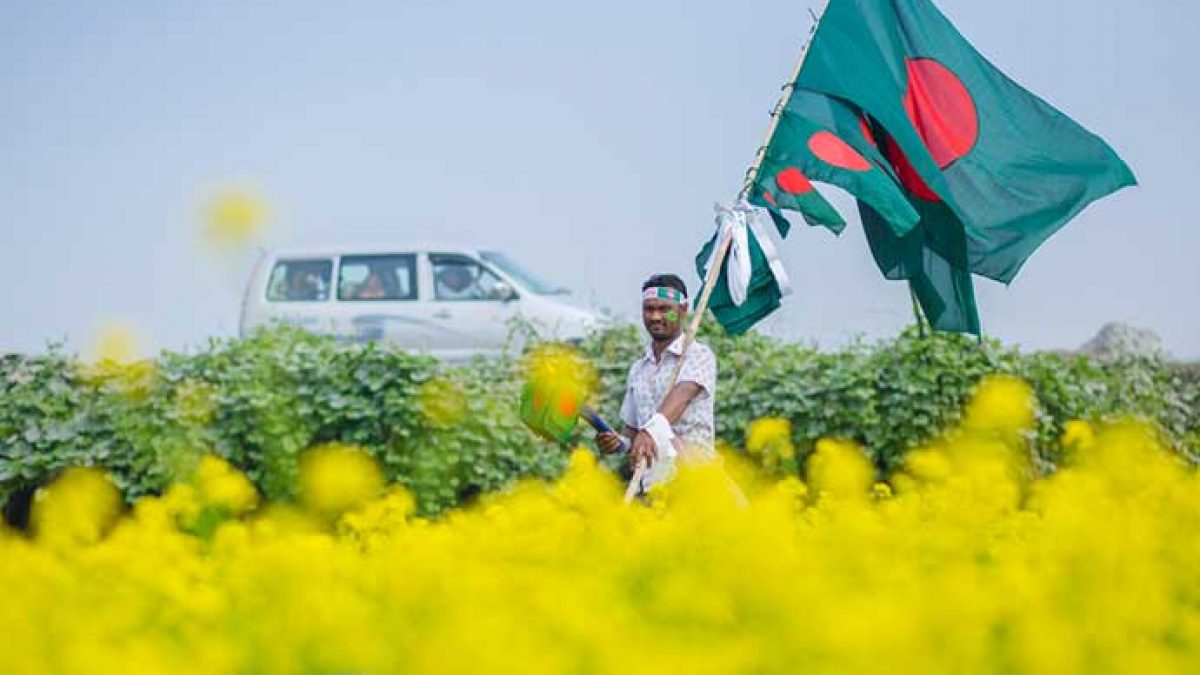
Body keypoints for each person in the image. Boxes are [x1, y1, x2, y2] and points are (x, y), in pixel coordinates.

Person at [596, 273, 717, 491]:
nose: (655, 317)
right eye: (649, 309)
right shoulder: (639, 369)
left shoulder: (698, 355)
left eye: (664, 309)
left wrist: (651, 431)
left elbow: (682, 395)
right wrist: (617, 443)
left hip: (695, 482)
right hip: (652, 485)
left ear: (683, 310)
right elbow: (632, 436)